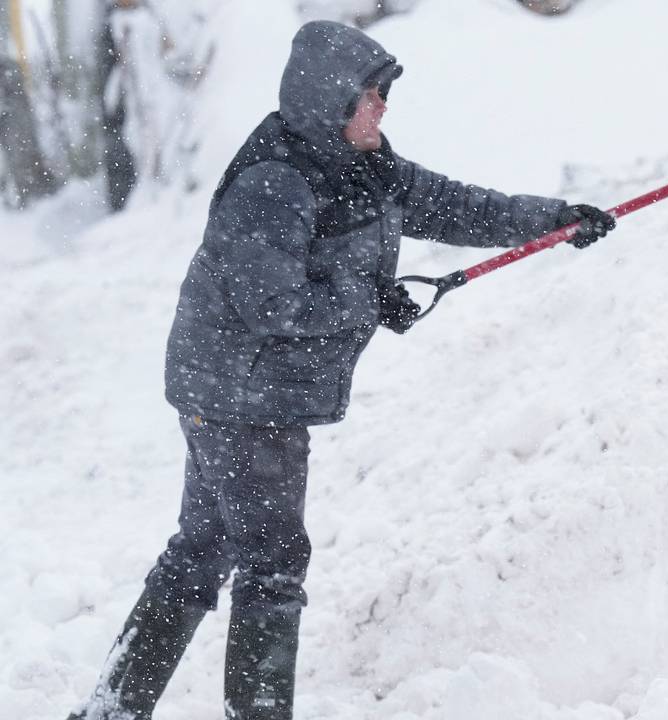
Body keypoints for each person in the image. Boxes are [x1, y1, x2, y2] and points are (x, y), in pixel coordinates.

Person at [67, 20, 615, 720]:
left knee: (202, 549)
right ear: (331, 102)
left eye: (384, 94)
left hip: (229, 385)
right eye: (371, 96)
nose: (383, 108)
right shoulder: (277, 181)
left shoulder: (364, 164)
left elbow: (453, 205)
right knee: (272, 562)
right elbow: (270, 302)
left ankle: (111, 710)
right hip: (244, 391)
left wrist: (556, 221)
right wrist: (370, 299)